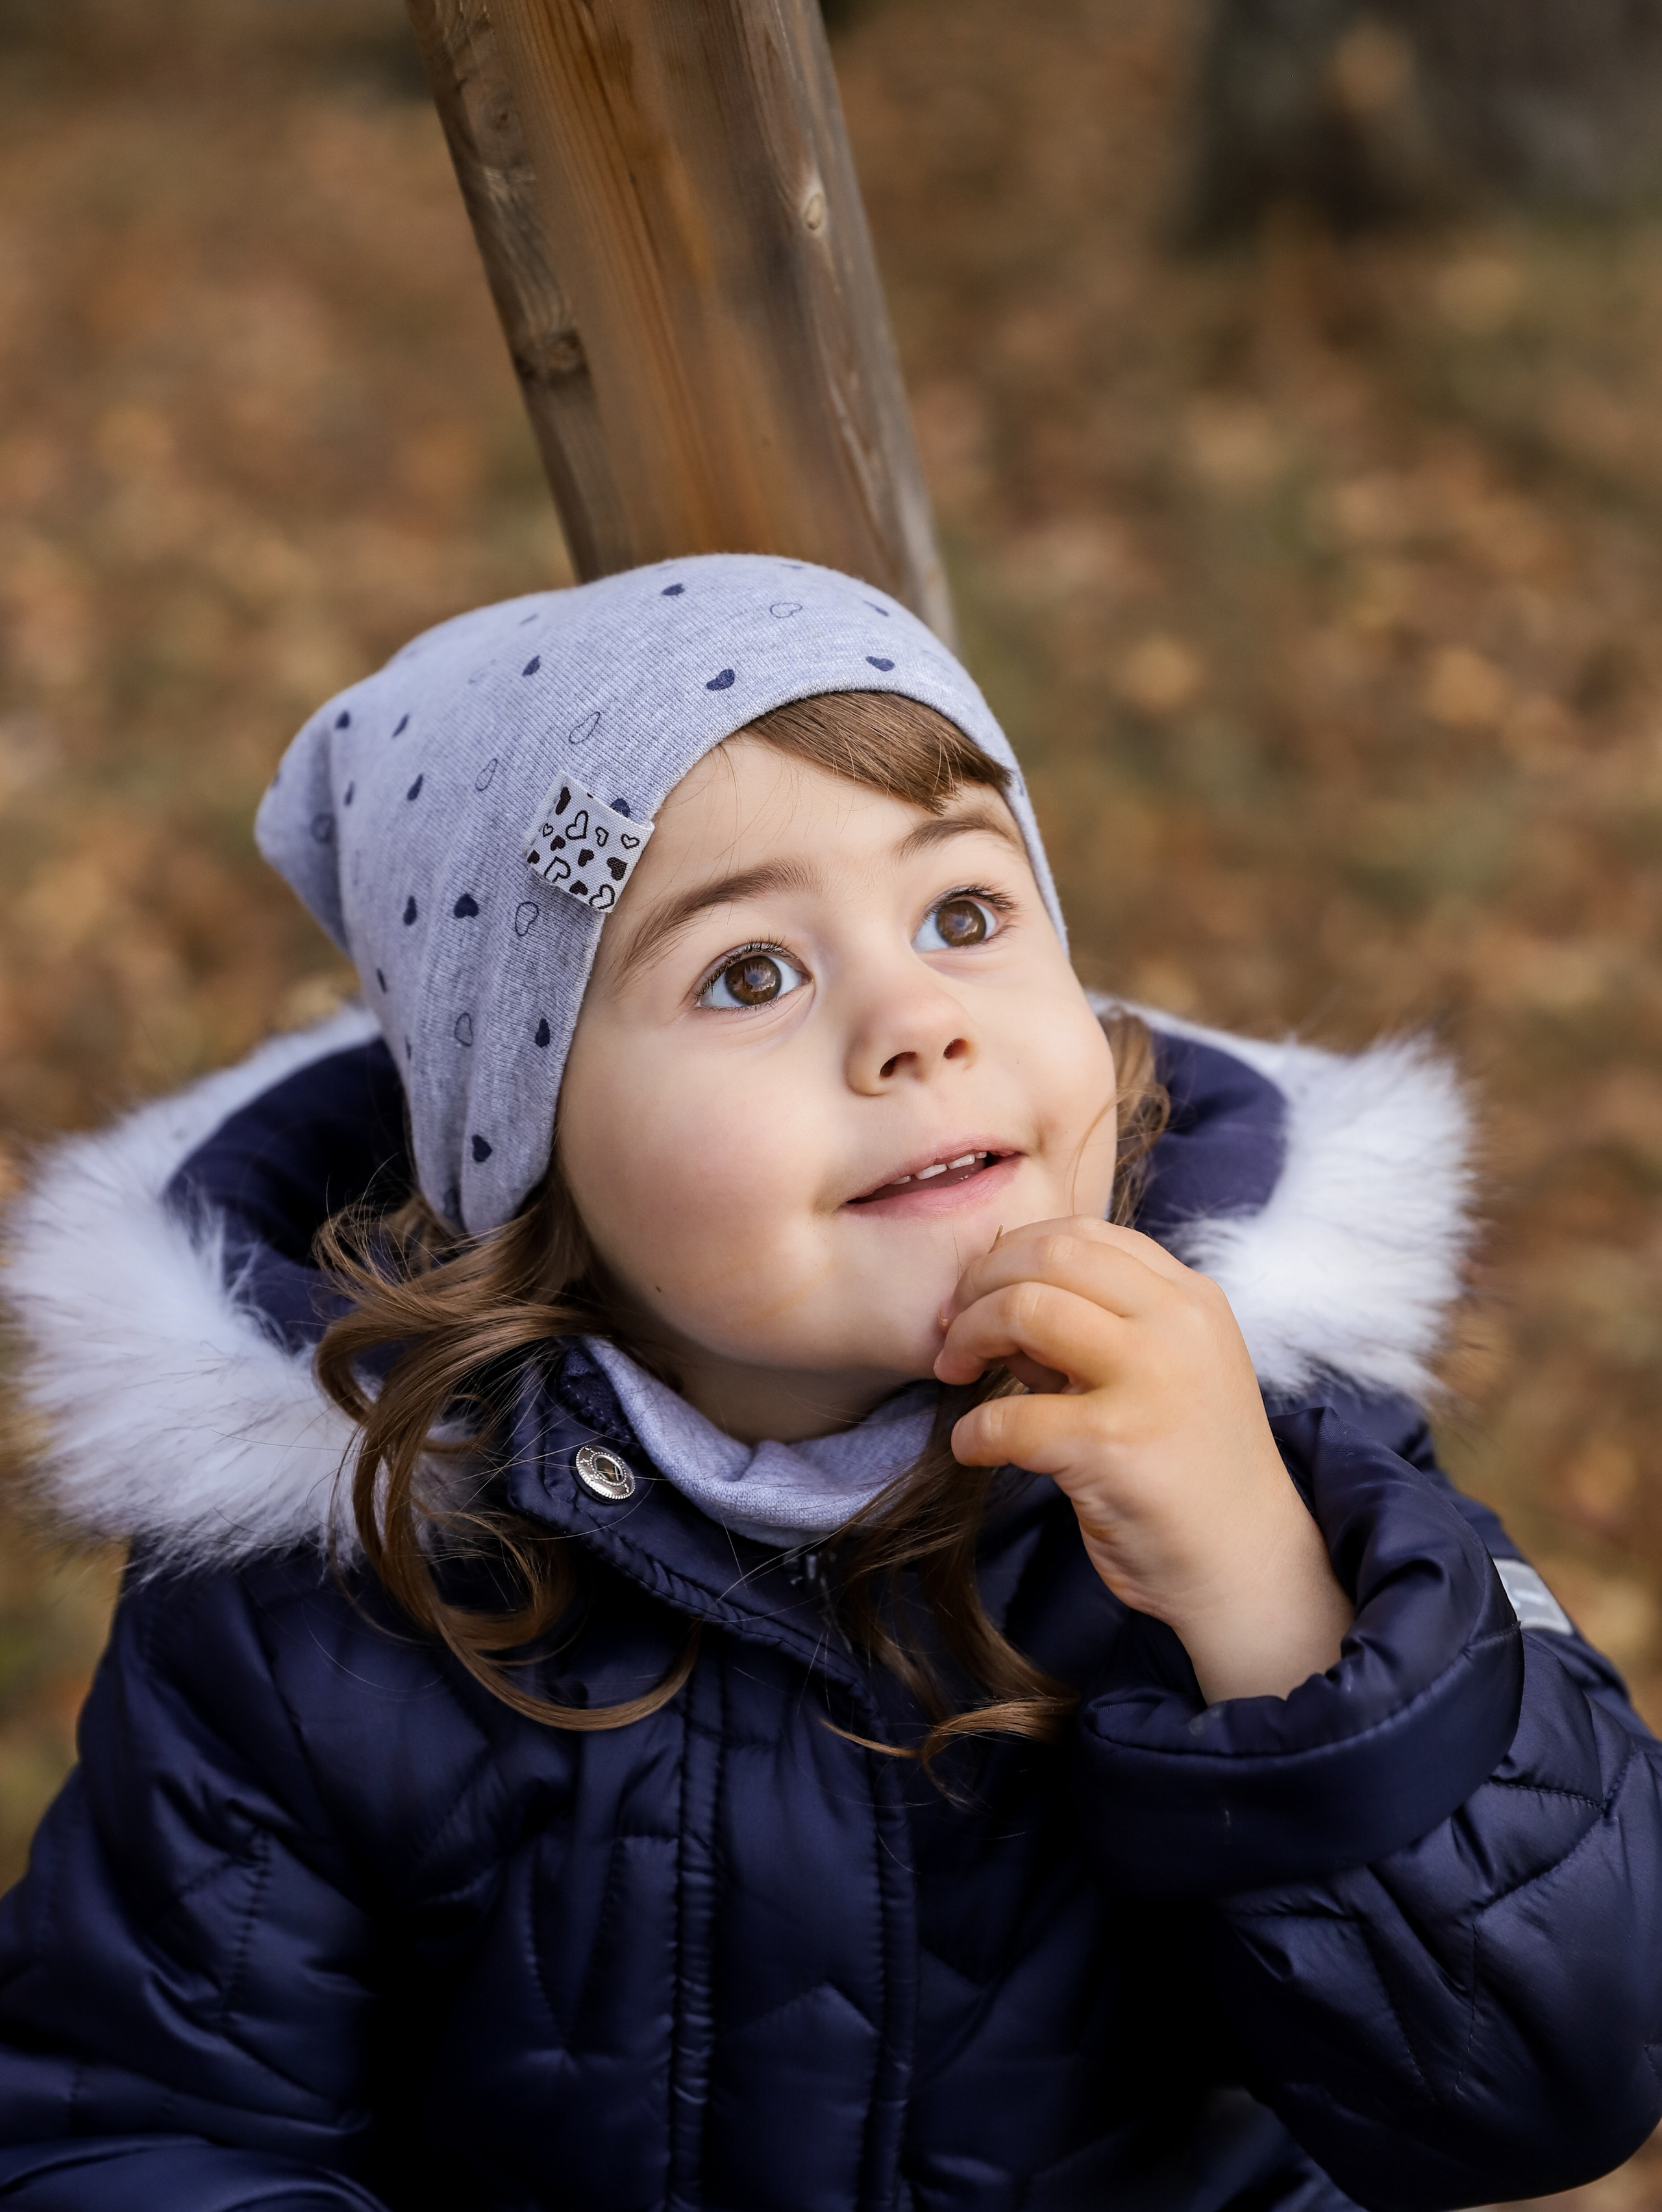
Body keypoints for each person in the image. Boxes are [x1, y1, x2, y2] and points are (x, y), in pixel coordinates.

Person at [0, 554, 1656, 2212]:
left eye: (962, 914)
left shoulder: (1272, 1455)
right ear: (529, 1154)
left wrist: (1270, 1603)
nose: (914, 1020)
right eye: (748, 973)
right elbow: (146, 2128)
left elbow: (1552, 2080)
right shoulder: (331, 1592)